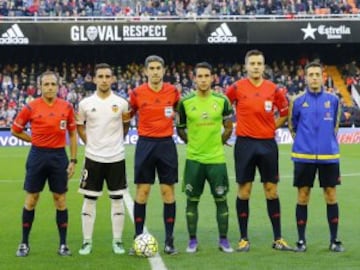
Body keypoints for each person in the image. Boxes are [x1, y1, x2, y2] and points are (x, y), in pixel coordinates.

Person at [225, 49, 292, 252]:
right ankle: (244, 238)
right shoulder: (236, 88)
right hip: (245, 144)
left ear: (264, 66)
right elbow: (223, 108)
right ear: (246, 66)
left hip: (267, 144)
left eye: (259, 63)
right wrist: (227, 129)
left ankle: (278, 238)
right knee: (244, 191)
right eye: (252, 63)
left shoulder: (273, 89)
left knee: (271, 191)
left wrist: (273, 126)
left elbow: (285, 112)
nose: (255, 66)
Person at [11, 71, 77, 257]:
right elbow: (15, 130)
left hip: (58, 156)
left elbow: (72, 134)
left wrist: (73, 160)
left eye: (52, 84)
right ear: (40, 86)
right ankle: (24, 243)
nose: (49, 87)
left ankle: (63, 245)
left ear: (58, 86)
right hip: (37, 156)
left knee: (60, 200)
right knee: (32, 199)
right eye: (46, 84)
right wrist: (32, 139)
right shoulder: (31, 107)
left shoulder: (66, 107)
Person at [176, 62, 234, 253]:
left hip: (216, 160)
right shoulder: (185, 102)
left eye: (206, 76)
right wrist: (191, 142)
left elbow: (229, 126)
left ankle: (224, 240)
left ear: (212, 78)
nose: (203, 80)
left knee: (221, 199)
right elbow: (180, 128)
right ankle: (192, 240)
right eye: (199, 76)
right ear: (194, 78)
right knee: (192, 201)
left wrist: (220, 141)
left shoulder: (222, 100)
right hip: (194, 160)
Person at [288, 62, 345, 252]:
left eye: (317, 74)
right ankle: (301, 240)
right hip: (303, 156)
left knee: (331, 195)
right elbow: (292, 127)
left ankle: (334, 240)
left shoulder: (334, 100)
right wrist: (304, 143)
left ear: (323, 77)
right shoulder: (296, 101)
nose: (314, 77)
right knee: (303, 196)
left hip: (329, 156)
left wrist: (325, 142)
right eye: (310, 74)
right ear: (305, 77)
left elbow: (335, 127)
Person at [76, 63, 130, 255]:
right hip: (93, 157)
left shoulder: (122, 103)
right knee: (89, 199)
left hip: (116, 157)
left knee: (117, 199)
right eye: (101, 76)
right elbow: (80, 126)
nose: (104, 80)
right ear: (95, 79)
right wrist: (89, 142)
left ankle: (117, 241)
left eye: (108, 76)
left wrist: (115, 142)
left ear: (113, 79)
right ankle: (87, 241)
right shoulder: (85, 104)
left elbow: (126, 125)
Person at [129, 55, 179, 255]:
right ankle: (138, 238)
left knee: (168, 192)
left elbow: (179, 113)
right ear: (146, 71)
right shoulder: (137, 93)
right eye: (152, 68)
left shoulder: (173, 92)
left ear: (164, 70)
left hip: (166, 144)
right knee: (143, 192)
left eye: (159, 68)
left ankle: (169, 240)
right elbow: (128, 115)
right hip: (145, 144)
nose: (156, 71)